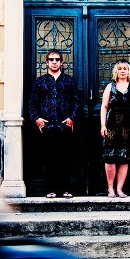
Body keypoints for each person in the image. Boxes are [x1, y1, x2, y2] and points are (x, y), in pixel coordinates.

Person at [28, 48, 78, 197]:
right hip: (47, 127)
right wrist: (36, 119)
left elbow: (76, 101)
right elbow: (32, 102)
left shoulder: (69, 81)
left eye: (57, 60)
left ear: (62, 62)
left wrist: (72, 118)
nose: (54, 62)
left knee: (65, 158)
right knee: (49, 159)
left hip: (64, 126)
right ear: (47, 62)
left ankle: (65, 189)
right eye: (51, 60)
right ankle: (52, 190)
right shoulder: (40, 81)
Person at [100, 60, 130, 198]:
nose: (122, 71)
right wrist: (103, 125)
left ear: (129, 71)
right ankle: (110, 189)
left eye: (125, 69)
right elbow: (104, 107)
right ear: (116, 71)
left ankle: (120, 189)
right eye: (120, 68)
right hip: (111, 123)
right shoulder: (110, 86)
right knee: (110, 157)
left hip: (129, 124)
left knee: (124, 157)